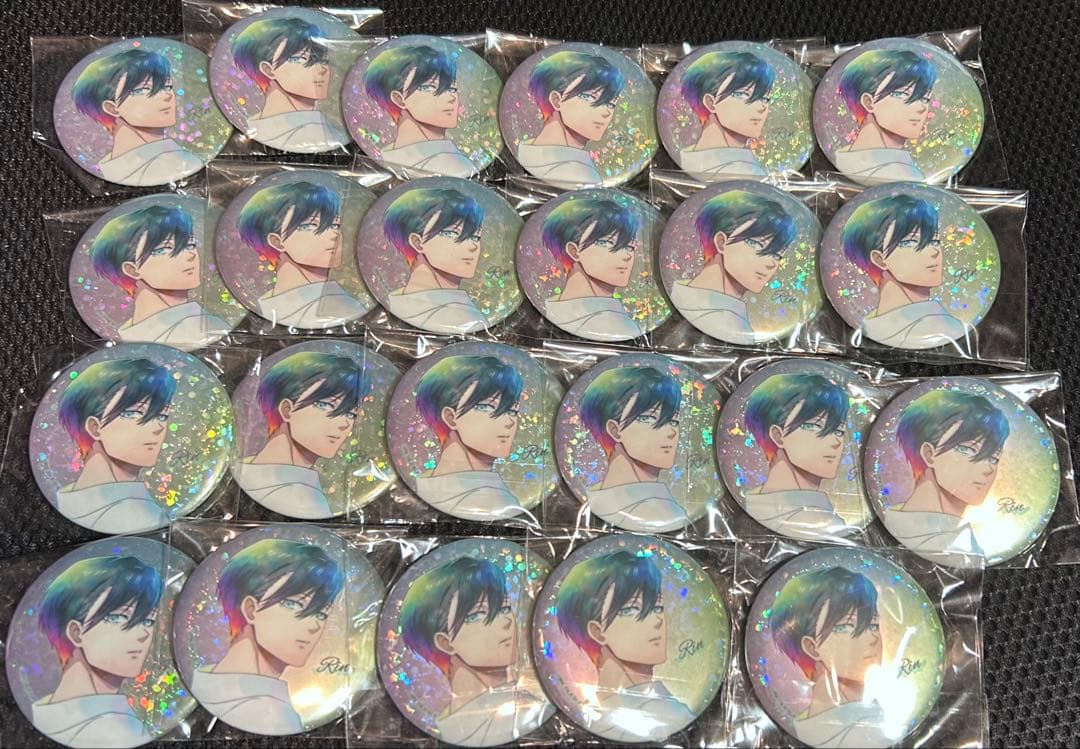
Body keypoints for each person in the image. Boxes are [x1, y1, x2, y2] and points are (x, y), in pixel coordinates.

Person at [191, 539, 344, 735]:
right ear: (250, 609)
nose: (315, 625)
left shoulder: (203, 681)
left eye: (322, 614)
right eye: (293, 604)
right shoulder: (270, 712)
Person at [400, 556, 553, 744]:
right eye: (477, 615)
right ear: (445, 642)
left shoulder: (533, 707)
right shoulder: (447, 723)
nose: (506, 621)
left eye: (505, 608)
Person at [555, 549, 693, 742]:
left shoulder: (673, 713)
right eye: (630, 610)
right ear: (597, 631)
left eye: (658, 607)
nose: (657, 620)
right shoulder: (588, 711)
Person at [34, 555, 162, 748]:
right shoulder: (115, 730)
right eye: (118, 617)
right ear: (76, 632)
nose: (144, 633)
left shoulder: (44, 711)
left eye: (149, 621)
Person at [235, 351, 368, 518]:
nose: (345, 424)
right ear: (287, 410)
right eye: (325, 405)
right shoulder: (302, 497)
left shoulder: (246, 469)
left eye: (351, 414)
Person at [886, 389, 1009, 563]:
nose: (988, 468)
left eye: (994, 458)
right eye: (967, 449)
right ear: (929, 454)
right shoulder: (898, 527)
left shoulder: (970, 545)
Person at [771, 566, 888, 748]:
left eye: (873, 625)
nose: (873, 638)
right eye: (845, 627)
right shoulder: (820, 730)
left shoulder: (880, 720)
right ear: (811, 647)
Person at [56, 359, 175, 532]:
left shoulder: (66, 499)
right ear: (94, 427)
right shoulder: (140, 515)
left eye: (163, 416)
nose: (158, 427)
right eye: (133, 413)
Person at [89, 204, 229, 348]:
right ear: (132, 270)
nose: (190, 255)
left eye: (190, 245)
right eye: (164, 249)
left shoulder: (206, 327)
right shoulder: (126, 333)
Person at [669, 189, 796, 343]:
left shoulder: (684, 294)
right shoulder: (722, 318)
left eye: (777, 255)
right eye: (756, 244)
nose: (771, 263)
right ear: (721, 242)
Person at [842, 194, 965, 348]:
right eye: (910, 242)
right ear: (879, 259)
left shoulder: (947, 327)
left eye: (935, 241)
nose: (935, 251)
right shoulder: (868, 325)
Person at [238, 181, 365, 328]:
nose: (334, 234)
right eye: (309, 225)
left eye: (335, 225)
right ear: (276, 241)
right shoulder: (264, 304)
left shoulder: (344, 306)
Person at [414, 355, 525, 519]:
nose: (510, 421)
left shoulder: (423, 483)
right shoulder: (495, 501)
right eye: (487, 407)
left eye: (513, 410)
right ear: (450, 418)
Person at [73, 48, 204, 184]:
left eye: (168, 87)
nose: (167, 95)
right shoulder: (105, 168)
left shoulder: (181, 163)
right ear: (112, 108)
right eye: (142, 90)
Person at [743, 373, 851, 538]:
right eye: (813, 426)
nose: (836, 441)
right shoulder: (819, 522)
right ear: (778, 436)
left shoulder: (752, 502)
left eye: (839, 431)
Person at [580, 367, 687, 531]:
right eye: (647, 418)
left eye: (674, 421)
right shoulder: (662, 510)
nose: (672, 432)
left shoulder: (665, 510)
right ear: (614, 430)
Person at [232, 16, 349, 152]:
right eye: (301, 59)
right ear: (268, 69)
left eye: (324, 60)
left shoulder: (331, 133)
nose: (323, 69)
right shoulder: (317, 132)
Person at [382, 187, 488, 333]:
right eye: (452, 233)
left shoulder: (395, 301)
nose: (473, 246)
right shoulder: (461, 316)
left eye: (476, 237)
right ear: (417, 242)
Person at [517, 51, 625, 188]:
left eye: (611, 104)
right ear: (556, 100)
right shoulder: (580, 174)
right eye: (588, 97)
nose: (606, 112)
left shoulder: (525, 150)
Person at [363, 44, 475, 176]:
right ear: (399, 99)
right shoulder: (384, 157)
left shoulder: (457, 163)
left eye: (452, 89)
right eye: (429, 87)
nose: (451, 97)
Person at [541, 196, 643, 340]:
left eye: (630, 246)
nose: (627, 255)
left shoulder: (552, 307)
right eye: (607, 243)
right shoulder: (616, 325)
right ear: (574, 251)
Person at [833, 49, 936, 182]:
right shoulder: (899, 173)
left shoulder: (844, 157)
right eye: (902, 94)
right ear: (868, 102)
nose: (922, 108)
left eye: (925, 98)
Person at [678, 50, 774, 179]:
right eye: (742, 94)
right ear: (710, 102)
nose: (762, 107)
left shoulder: (687, 157)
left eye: (765, 99)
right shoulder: (745, 170)